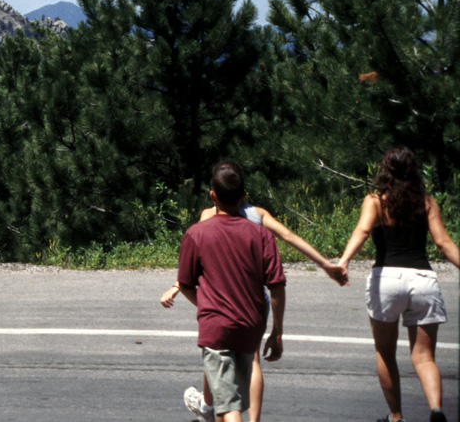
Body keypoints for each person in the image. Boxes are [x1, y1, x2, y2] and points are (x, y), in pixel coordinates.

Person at [160, 185, 347, 422]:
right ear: (243, 193)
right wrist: (325, 264)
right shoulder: (258, 215)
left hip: (219, 301)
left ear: (213, 193)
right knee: (253, 357)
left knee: (216, 350)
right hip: (255, 301)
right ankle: (251, 418)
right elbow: (289, 237)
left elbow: (202, 253)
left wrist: (179, 285)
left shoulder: (209, 214)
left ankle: (209, 406)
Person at [335, 147, 459, 422]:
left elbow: (363, 230)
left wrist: (343, 261)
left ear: (385, 171)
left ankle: (396, 417)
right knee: (424, 356)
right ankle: (436, 409)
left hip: (387, 281)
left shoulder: (376, 201)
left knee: (385, 351)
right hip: (423, 280)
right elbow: (443, 242)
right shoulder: (426, 202)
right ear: (413, 171)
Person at [174, 162, 287, 422]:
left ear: (212, 196)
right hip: (250, 326)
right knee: (231, 401)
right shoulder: (261, 235)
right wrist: (277, 331)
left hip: (217, 328)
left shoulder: (196, 233)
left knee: (228, 408)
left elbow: (186, 283)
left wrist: (206, 306)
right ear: (244, 198)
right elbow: (277, 284)